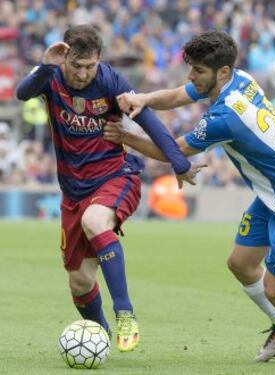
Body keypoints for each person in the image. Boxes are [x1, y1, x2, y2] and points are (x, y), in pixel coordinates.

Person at [104, 30, 275, 366]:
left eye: (198, 72)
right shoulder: (239, 78)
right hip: (271, 194)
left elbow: (174, 150)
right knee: (241, 264)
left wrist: (126, 137)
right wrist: (144, 98)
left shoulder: (226, 117)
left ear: (222, 73)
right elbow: (178, 95)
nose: (192, 77)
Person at [16, 24, 204, 353]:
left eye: (89, 66)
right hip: (73, 191)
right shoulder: (51, 74)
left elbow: (149, 122)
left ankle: (125, 313)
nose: (82, 74)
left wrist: (179, 162)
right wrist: (46, 65)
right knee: (80, 282)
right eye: (75, 66)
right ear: (64, 58)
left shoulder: (112, 82)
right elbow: (21, 93)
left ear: (99, 60)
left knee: (95, 222)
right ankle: (99, 337)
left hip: (115, 175)